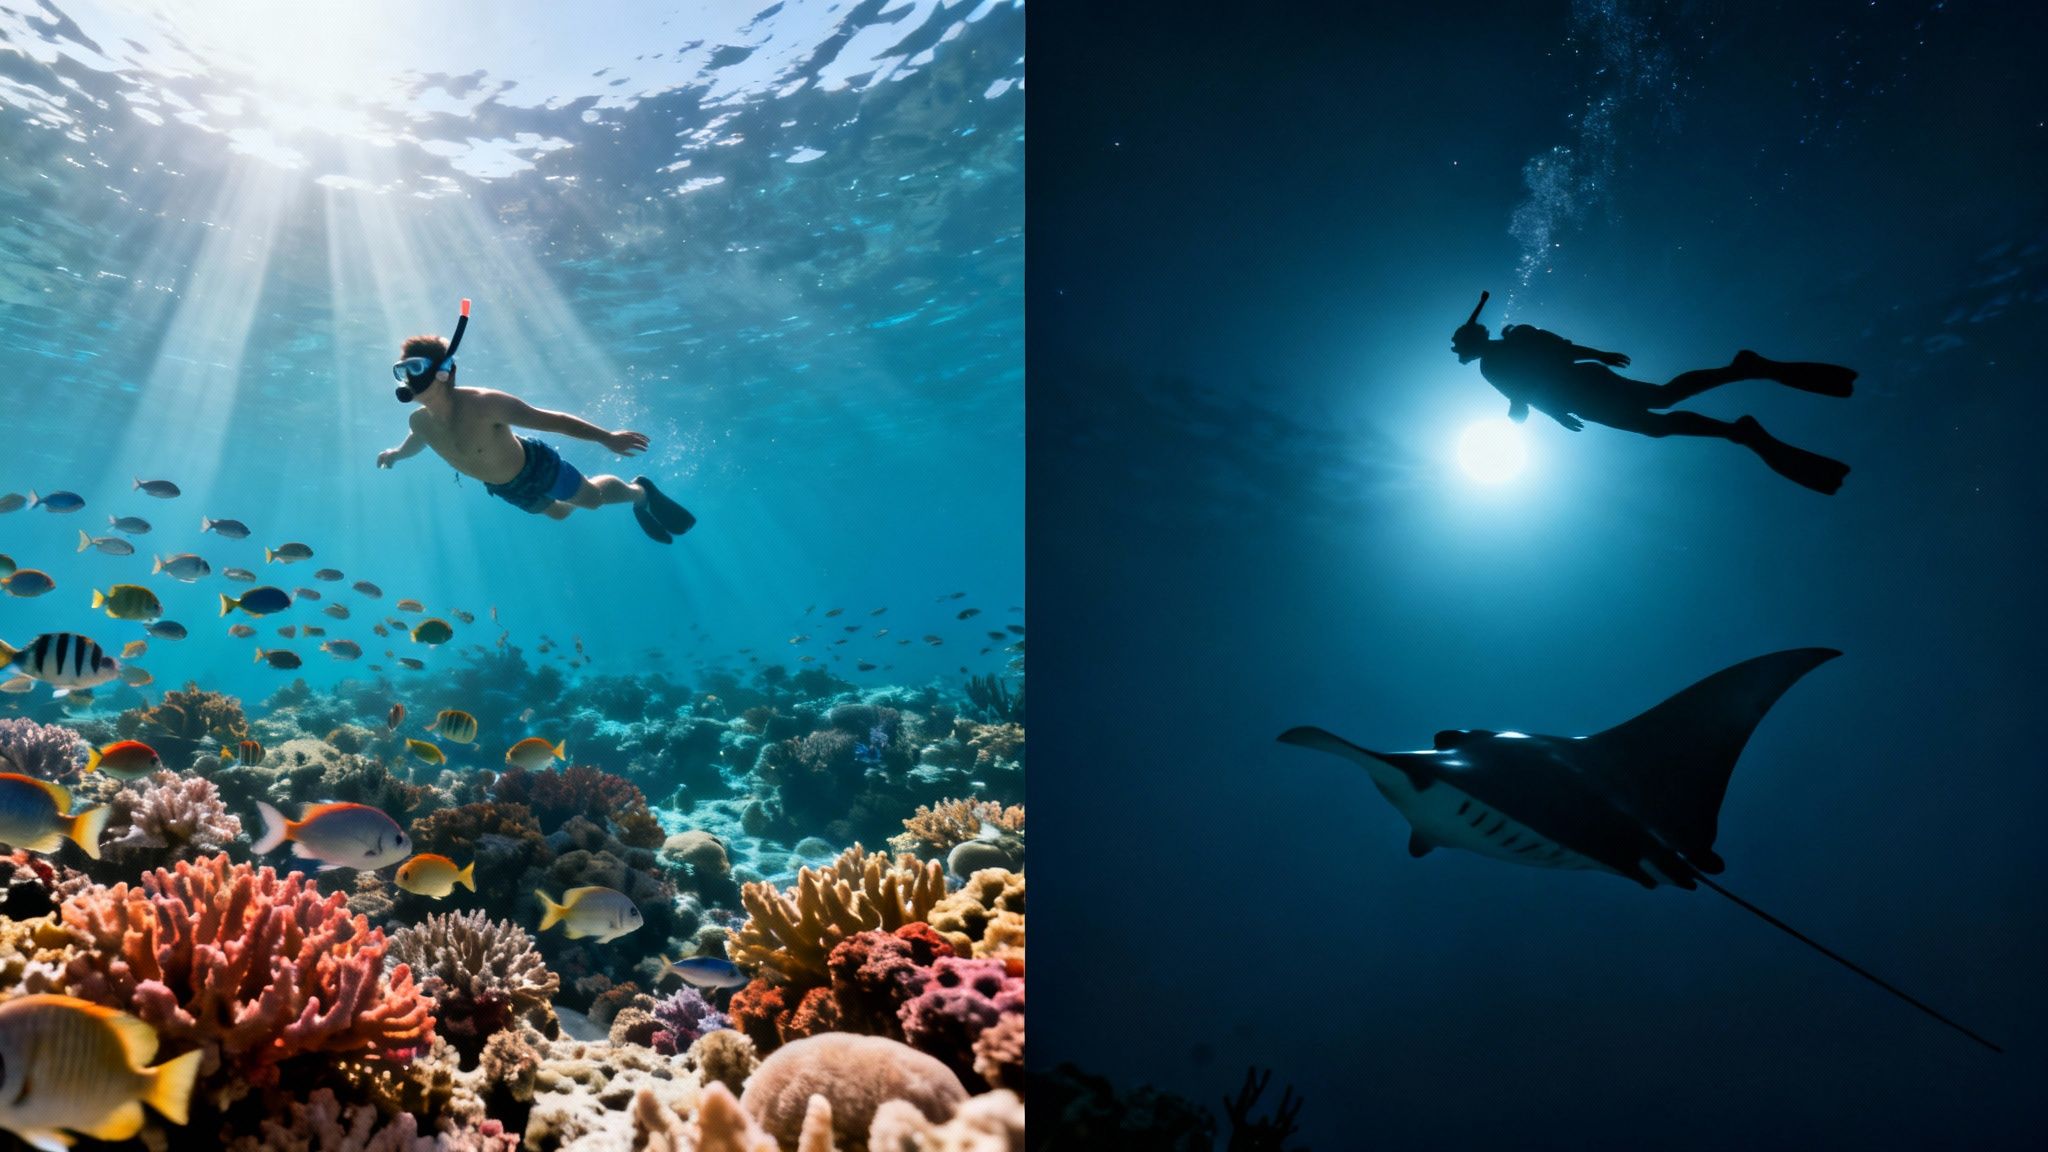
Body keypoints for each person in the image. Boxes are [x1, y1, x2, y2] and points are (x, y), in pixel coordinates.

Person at [1451, 291, 1854, 494]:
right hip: (1580, 398)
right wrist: (1551, 412)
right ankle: (1738, 423)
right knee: (1657, 420)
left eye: (1463, 349)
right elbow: (1526, 392)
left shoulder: (1510, 347)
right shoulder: (1496, 362)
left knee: (1662, 402)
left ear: (1473, 342)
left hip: (1585, 387)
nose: (1466, 355)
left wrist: (1598, 358)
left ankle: (1741, 382)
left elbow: (1552, 362)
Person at [377, 303, 696, 542]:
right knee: (559, 513)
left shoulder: (486, 404)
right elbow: (416, 441)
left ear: (445, 371)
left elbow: (552, 421)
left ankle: (640, 494)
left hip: (535, 466)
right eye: (402, 371)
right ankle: (592, 491)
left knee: (593, 501)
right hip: (504, 486)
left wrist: (606, 437)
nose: (408, 379)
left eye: (415, 368)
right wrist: (396, 454)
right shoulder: (420, 422)